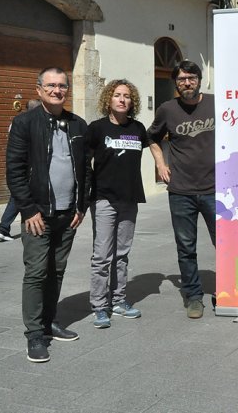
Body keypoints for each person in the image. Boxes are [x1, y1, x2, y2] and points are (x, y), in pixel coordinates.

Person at [6, 67, 87, 363]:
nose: (57, 90)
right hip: (38, 214)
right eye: (51, 85)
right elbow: (14, 171)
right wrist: (28, 210)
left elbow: (85, 170)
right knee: (37, 272)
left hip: (68, 214)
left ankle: (49, 322)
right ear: (39, 89)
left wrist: (81, 206)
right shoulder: (25, 123)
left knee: (57, 271)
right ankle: (34, 335)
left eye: (62, 86)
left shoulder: (78, 124)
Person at [147, 60, 215, 319]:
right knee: (186, 246)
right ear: (175, 83)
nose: (187, 83)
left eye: (191, 78)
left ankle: (231, 288)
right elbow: (151, 137)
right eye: (181, 79)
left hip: (215, 188)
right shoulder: (167, 109)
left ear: (200, 80)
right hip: (181, 190)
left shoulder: (215, 103)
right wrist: (160, 163)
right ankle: (193, 296)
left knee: (225, 241)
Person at [87, 80, 148, 328]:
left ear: (132, 101)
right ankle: (100, 306)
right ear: (108, 100)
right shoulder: (96, 129)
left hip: (129, 199)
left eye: (127, 96)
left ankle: (119, 301)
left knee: (122, 255)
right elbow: (84, 163)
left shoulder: (138, 128)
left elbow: (153, 145)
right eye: (117, 95)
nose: (122, 99)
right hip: (104, 199)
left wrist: (163, 164)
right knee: (102, 256)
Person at [0, 99, 42, 241]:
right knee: (18, 196)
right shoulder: (27, 123)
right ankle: (3, 227)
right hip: (27, 168)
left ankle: (4, 227)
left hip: (19, 166)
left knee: (17, 196)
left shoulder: (16, 122)